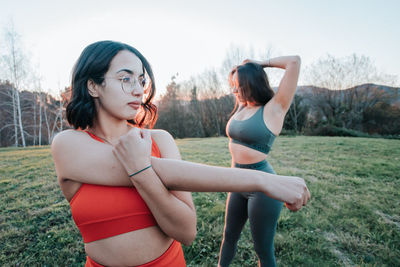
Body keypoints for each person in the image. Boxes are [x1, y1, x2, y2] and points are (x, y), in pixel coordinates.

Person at [51, 40, 310, 267]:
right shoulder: (68, 144)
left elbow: (186, 232)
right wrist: (263, 180)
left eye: (142, 80)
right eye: (125, 78)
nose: (139, 89)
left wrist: (141, 172)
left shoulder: (161, 140)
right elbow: (161, 171)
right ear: (93, 86)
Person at [218, 56, 302, 267]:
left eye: (239, 86)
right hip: (237, 180)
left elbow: (294, 61)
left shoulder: (275, 108)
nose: (235, 92)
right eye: (234, 86)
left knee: (262, 248)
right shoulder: (242, 106)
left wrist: (260, 63)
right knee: (229, 236)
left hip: (263, 186)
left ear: (252, 84)